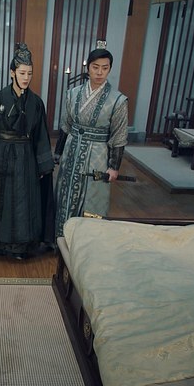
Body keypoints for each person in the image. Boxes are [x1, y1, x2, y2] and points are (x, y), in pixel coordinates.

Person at [0, 43, 54, 259]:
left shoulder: (36, 103)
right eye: (22, 73)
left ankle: (21, 246)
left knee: (24, 202)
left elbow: (41, 135)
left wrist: (43, 165)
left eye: (29, 73)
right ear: (12, 72)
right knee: (0, 201)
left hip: (26, 157)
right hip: (2, 155)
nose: (26, 78)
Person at [53, 40, 128, 238]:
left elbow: (119, 135)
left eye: (105, 68)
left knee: (93, 197)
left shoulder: (118, 100)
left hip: (98, 154)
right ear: (88, 68)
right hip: (72, 150)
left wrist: (114, 166)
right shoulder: (73, 94)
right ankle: (60, 237)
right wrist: (58, 152)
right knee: (65, 192)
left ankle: (87, 241)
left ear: (109, 69)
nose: (100, 72)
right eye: (95, 67)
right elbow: (66, 125)